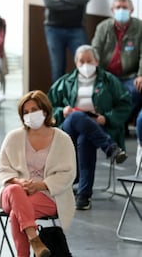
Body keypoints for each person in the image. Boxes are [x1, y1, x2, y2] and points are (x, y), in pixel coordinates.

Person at [48, 45, 132, 210]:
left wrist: (106, 118)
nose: (85, 64)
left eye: (89, 60)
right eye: (81, 61)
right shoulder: (64, 82)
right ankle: (110, 148)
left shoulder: (109, 80)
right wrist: (61, 111)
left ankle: (83, 195)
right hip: (68, 127)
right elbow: (48, 107)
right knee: (77, 116)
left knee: (85, 138)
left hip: (98, 126)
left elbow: (125, 103)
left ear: (97, 61)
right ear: (76, 63)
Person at [0, 90, 76, 257]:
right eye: (25, 112)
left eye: (34, 110)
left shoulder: (63, 139)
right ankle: (35, 240)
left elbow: (68, 173)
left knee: (17, 216)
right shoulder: (13, 137)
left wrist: (40, 185)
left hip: (48, 194)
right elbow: (2, 169)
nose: (29, 115)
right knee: (13, 190)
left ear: (45, 111)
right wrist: (19, 182)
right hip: (14, 193)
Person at [91, 0, 142, 131]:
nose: (121, 10)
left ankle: (118, 123)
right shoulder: (103, 27)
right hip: (107, 74)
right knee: (100, 92)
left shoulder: (139, 27)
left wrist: (140, 74)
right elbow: (95, 49)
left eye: (124, 7)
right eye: (118, 7)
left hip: (130, 75)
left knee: (135, 91)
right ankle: (112, 124)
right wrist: (94, 70)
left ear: (131, 10)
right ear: (112, 10)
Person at [43, 0, 93, 83]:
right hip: (53, 28)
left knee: (85, 67)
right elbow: (49, 1)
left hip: (77, 28)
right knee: (57, 70)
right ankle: (58, 103)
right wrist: (75, 0)